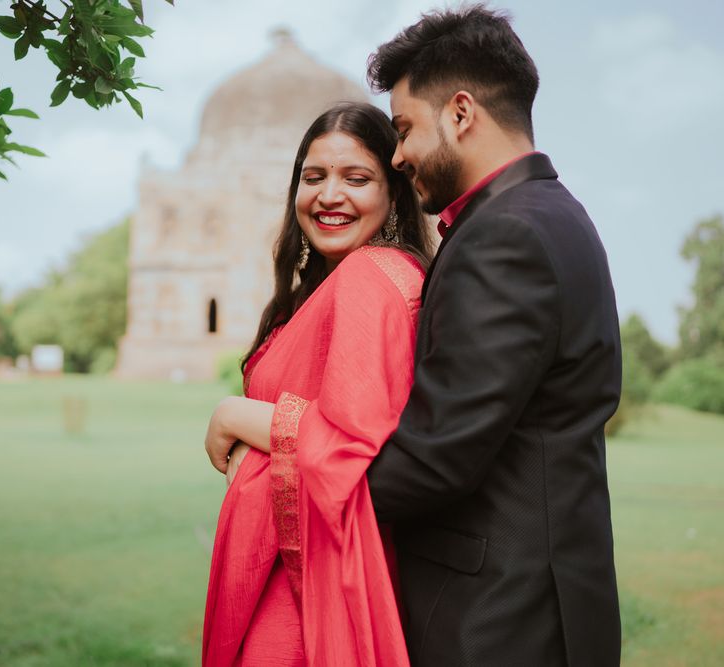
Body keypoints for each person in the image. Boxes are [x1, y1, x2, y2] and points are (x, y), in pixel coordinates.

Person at [363, 5, 622, 666]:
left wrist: (298, 471)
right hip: (543, 603)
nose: (397, 156)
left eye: (404, 129)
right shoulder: (553, 213)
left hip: (497, 622)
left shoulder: (503, 236)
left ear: (460, 112)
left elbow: (437, 457)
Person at [202, 102, 433, 666]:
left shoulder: (370, 277)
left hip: (310, 590)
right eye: (314, 177)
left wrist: (233, 417)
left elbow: (353, 441)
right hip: (275, 568)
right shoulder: (324, 287)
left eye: (357, 178)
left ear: (393, 193)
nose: (330, 195)